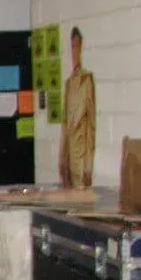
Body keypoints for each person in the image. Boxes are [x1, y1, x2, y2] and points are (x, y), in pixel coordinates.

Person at [60, 26, 96, 188]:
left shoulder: (86, 80)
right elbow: (65, 123)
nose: (73, 51)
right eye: (71, 46)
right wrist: (62, 157)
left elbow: (91, 124)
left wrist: (88, 166)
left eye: (76, 46)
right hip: (69, 153)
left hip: (81, 153)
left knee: (81, 198)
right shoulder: (69, 82)